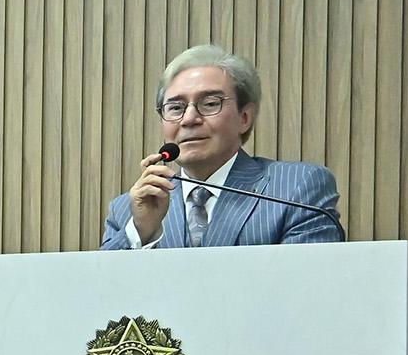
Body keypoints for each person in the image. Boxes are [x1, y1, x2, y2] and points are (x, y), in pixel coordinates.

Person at [102, 44, 344, 250]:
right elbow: (100, 291)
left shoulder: (296, 189)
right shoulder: (130, 209)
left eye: (209, 103)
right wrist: (141, 230)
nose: (188, 119)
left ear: (244, 117)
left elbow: (307, 288)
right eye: (175, 108)